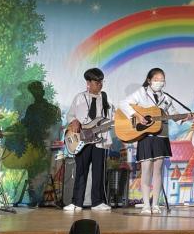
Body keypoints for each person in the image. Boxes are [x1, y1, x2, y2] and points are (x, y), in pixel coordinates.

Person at [119, 68, 178, 214]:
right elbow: (123, 104)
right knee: (146, 170)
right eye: (156, 79)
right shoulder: (142, 92)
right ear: (149, 80)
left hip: (161, 136)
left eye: (162, 80)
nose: (159, 82)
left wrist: (184, 117)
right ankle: (146, 204)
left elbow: (174, 114)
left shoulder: (167, 98)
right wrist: (138, 116)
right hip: (146, 136)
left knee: (158, 171)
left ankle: (155, 204)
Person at [64, 68, 112, 212]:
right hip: (82, 139)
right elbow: (70, 115)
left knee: (99, 172)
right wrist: (74, 121)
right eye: (97, 82)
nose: (100, 85)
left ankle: (97, 202)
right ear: (88, 83)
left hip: (100, 139)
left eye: (101, 82)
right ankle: (76, 203)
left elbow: (111, 118)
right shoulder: (79, 98)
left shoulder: (106, 99)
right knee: (81, 171)